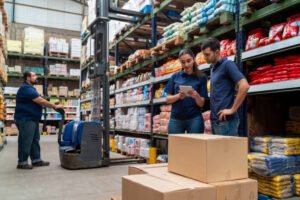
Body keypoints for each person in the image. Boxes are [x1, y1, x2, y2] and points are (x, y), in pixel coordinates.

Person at [201, 37, 250, 136]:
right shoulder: (213, 68)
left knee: (228, 152)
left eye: (207, 54)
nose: (205, 57)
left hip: (227, 122)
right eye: (204, 55)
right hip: (216, 120)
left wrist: (233, 109)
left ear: (217, 52)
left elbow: (244, 85)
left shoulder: (228, 65)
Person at [15, 71, 63, 170]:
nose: (36, 77)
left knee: (34, 140)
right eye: (34, 75)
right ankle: (22, 162)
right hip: (26, 119)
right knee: (26, 141)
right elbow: (40, 100)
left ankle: (36, 160)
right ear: (28, 78)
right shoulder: (25, 88)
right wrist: (54, 106)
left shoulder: (31, 88)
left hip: (32, 119)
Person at [165, 49, 208, 134]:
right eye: (183, 62)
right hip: (176, 119)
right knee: (174, 146)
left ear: (193, 59)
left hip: (194, 119)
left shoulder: (201, 77)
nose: (186, 64)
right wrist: (178, 96)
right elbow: (167, 99)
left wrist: (196, 96)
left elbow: (202, 103)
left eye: (188, 61)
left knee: (195, 146)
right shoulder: (175, 77)